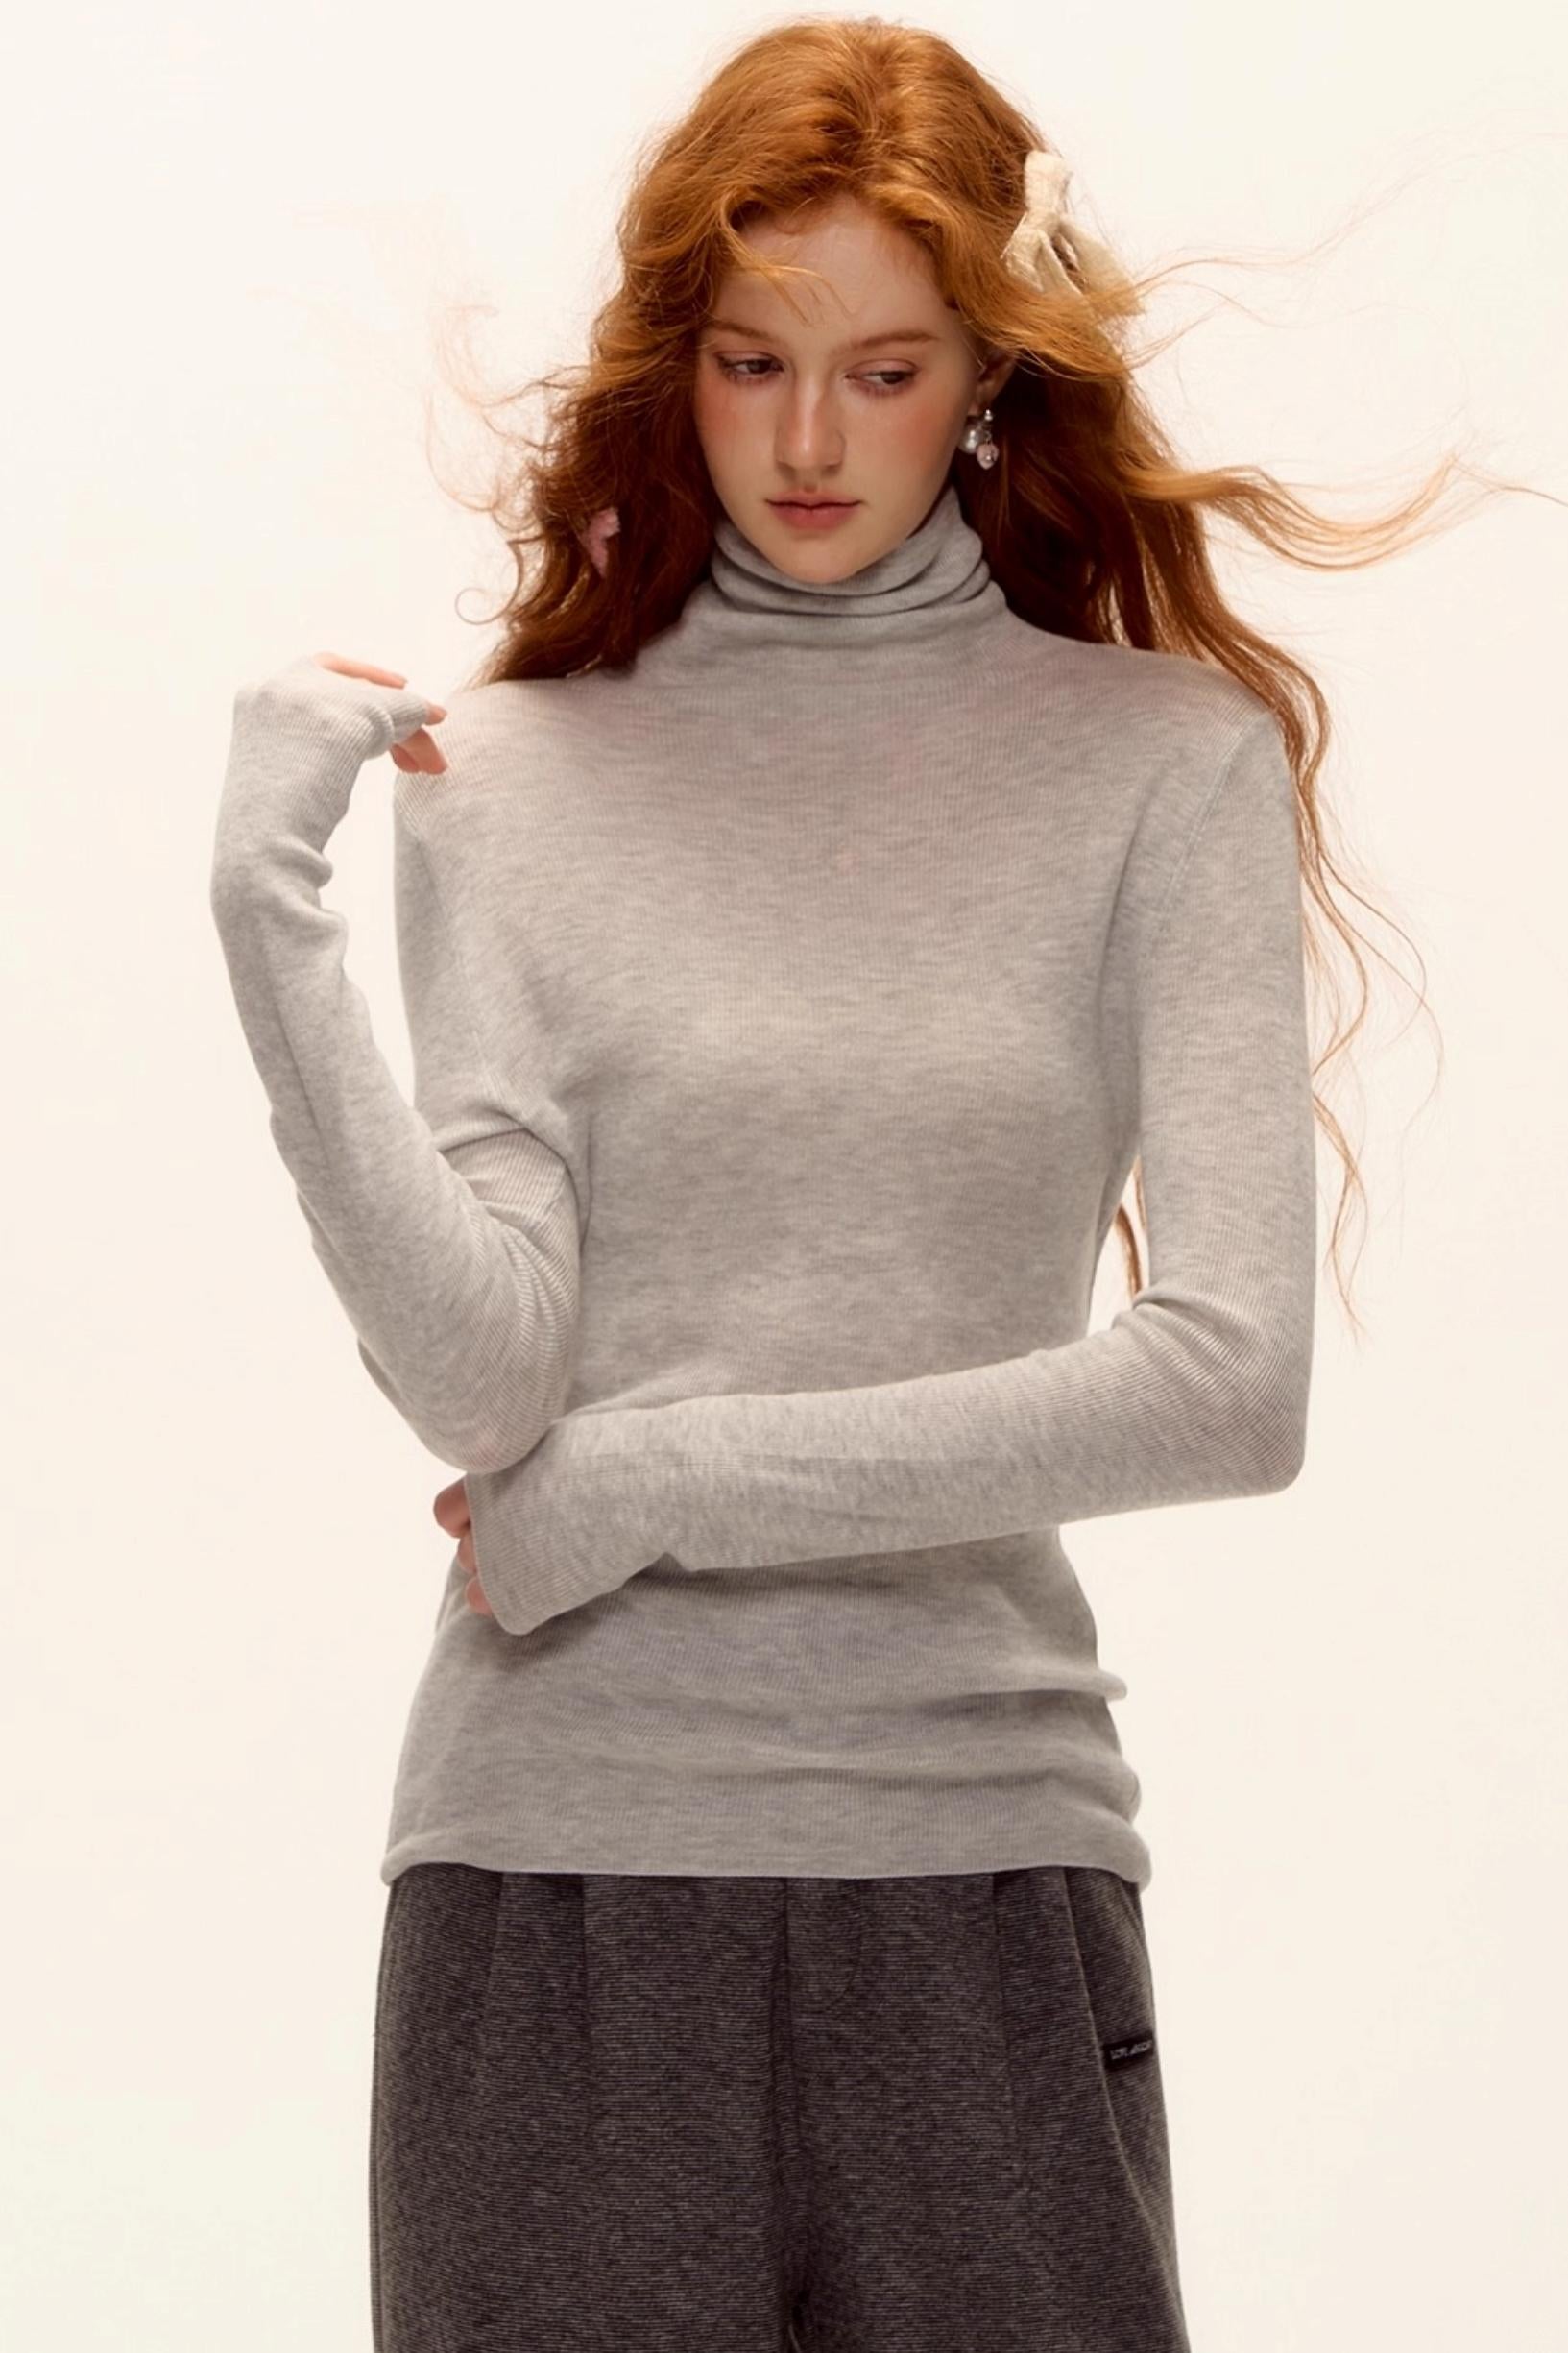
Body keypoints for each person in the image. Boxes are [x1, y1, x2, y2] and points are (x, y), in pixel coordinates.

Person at [208, 18, 1484, 2350]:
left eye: (883, 371)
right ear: (674, 367)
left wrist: (657, 1482)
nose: (808, 442)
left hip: (978, 1874)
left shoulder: (1158, 769)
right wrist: (265, 916)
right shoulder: (505, 777)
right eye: (751, 363)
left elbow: (1228, 1383)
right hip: (553, 1873)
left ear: (986, 377)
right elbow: (486, 1385)